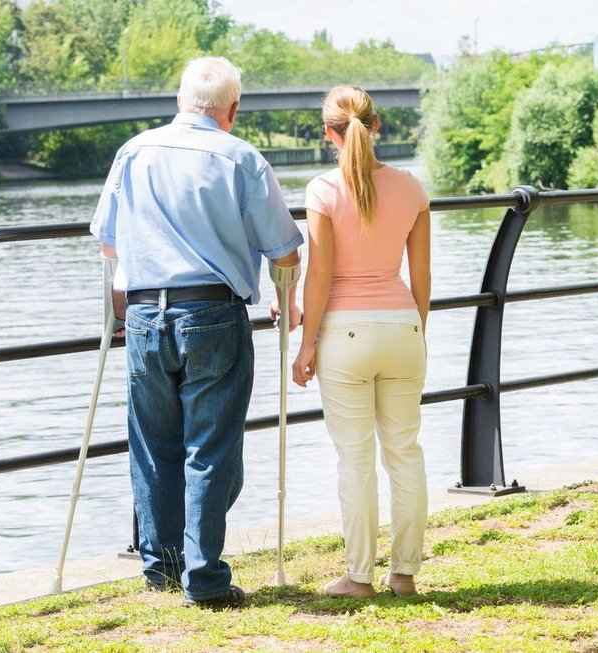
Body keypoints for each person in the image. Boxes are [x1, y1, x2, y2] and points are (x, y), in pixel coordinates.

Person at [89, 56, 302, 609]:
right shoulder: (242, 158)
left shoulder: (132, 152)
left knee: (153, 445)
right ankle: (204, 581)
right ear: (232, 110)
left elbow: (109, 246)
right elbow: (285, 249)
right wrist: (280, 287)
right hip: (212, 314)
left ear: (180, 101)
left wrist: (125, 304)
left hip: (142, 315)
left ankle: (162, 569)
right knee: (210, 449)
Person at [292, 85, 431, 599]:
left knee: (355, 458)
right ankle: (405, 574)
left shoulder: (323, 190)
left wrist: (307, 344)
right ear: (376, 127)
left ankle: (358, 577)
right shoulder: (413, 189)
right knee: (405, 452)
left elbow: (321, 273)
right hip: (402, 327)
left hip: (344, 335)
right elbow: (422, 275)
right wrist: (419, 332)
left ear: (330, 133)